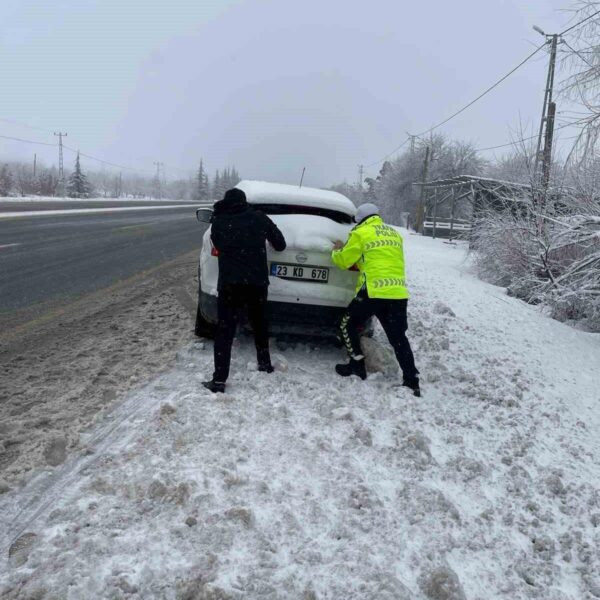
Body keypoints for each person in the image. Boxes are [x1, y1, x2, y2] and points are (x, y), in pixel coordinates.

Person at [331, 203, 420, 396]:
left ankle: (357, 365)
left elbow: (343, 261)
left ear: (359, 219)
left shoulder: (361, 233)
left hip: (372, 290)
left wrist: (337, 250)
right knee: (398, 338)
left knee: (347, 323)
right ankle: (412, 380)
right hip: (397, 292)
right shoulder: (393, 234)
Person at [202, 188, 286, 393]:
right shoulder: (259, 218)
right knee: (259, 323)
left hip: (230, 284)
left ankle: (219, 380)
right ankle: (264, 364)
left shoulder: (219, 221)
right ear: (244, 202)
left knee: (225, 330)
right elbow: (280, 244)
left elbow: (219, 245)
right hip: (256, 283)